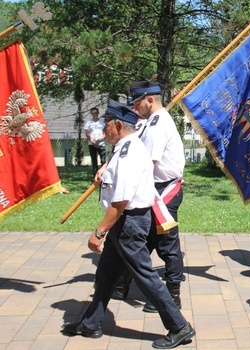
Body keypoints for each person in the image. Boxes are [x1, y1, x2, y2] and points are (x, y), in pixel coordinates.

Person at [61, 99, 195, 349]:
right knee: (105, 275)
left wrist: (99, 232)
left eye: (107, 125)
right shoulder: (124, 148)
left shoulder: (129, 152)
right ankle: (91, 323)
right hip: (124, 224)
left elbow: (120, 202)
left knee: (145, 276)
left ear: (119, 124)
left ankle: (179, 326)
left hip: (129, 224)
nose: (104, 131)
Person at [114, 81, 186, 313]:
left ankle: (173, 296)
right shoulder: (149, 122)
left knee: (167, 244)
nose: (134, 107)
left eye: (137, 102)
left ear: (150, 100)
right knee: (141, 240)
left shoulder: (157, 125)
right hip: (153, 187)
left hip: (163, 190)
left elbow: (147, 162)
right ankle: (122, 283)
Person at [84, 107, 106, 176]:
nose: (94, 115)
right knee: (94, 162)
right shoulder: (89, 122)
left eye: (95, 113)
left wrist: (98, 140)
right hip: (92, 144)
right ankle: (95, 177)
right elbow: (87, 133)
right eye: (93, 113)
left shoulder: (102, 122)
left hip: (101, 144)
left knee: (103, 161)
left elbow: (105, 133)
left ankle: (103, 176)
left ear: (98, 113)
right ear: (91, 114)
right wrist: (93, 141)